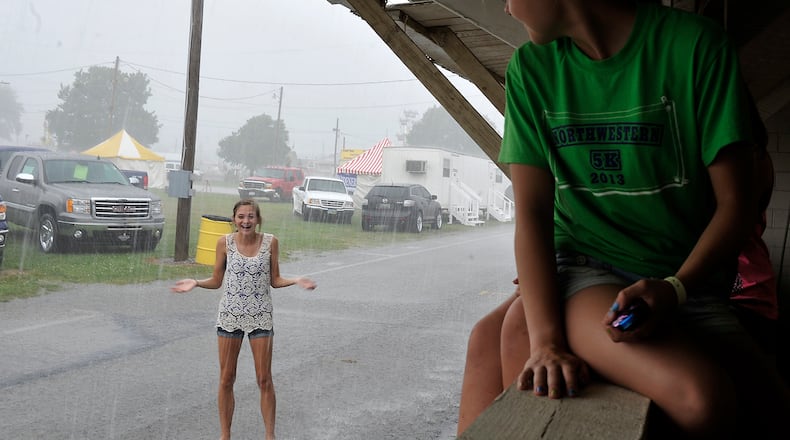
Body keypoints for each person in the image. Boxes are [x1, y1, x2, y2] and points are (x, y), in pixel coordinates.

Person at [457, 1, 790, 437]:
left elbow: (737, 204)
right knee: (700, 397)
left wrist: (676, 288)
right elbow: (534, 215)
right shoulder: (531, 68)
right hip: (585, 271)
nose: (506, 6)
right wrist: (547, 342)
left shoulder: (694, 46)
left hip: (684, 281)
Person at [171, 199, 316, 440]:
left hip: (260, 316)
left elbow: (275, 280)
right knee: (227, 378)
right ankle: (225, 435)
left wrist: (296, 279)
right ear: (234, 219)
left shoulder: (270, 242)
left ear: (258, 219)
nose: (246, 221)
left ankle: (270, 435)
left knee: (264, 379)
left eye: (250, 216)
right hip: (230, 316)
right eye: (241, 217)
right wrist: (195, 282)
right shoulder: (224, 243)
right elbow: (217, 280)